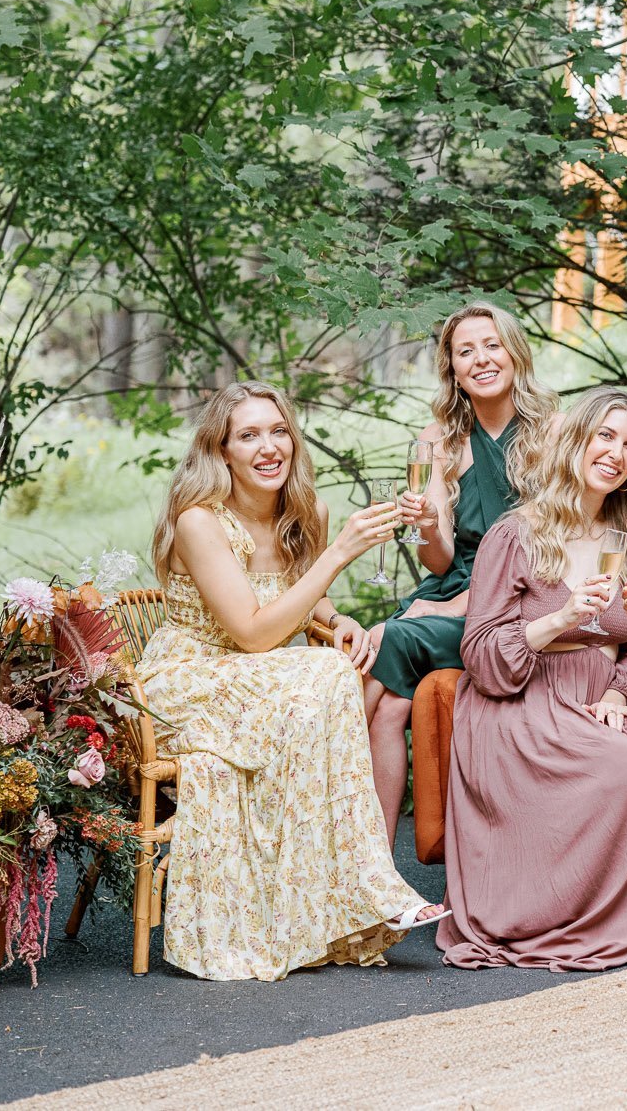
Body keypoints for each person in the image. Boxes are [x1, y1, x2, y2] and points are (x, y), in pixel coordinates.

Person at [138, 381, 446, 982]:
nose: (268, 447)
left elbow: (303, 601)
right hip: (191, 679)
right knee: (328, 674)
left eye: (278, 431)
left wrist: (337, 618)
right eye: (248, 435)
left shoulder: (307, 510)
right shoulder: (200, 521)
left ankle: (332, 901)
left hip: (265, 678)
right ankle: (372, 885)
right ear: (221, 449)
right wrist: (341, 555)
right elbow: (252, 632)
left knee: (333, 669)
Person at [438, 387, 627, 971]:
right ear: (576, 441)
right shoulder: (516, 534)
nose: (616, 453)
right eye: (605, 436)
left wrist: (618, 693)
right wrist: (559, 619)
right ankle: (551, 913)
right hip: (523, 695)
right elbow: (479, 652)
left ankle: (619, 909)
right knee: (615, 761)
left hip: (592, 694)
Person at [364, 303, 558, 838]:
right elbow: (440, 559)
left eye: (492, 345)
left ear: (515, 352)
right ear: (451, 367)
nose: (481, 359)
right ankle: (374, 865)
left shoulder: (554, 433)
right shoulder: (438, 436)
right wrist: (426, 522)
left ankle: (314, 788)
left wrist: (447, 607)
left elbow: (544, 561)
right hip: (451, 587)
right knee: (387, 711)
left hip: (513, 600)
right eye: (465, 351)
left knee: (388, 638)